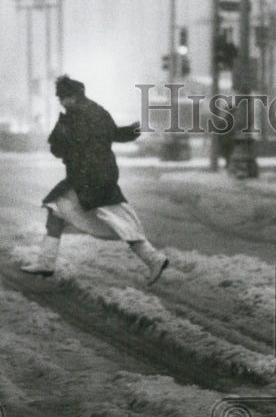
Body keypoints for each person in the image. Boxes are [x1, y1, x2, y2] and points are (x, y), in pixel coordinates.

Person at [20, 75, 169, 284]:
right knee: (57, 209)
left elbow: (65, 148)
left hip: (91, 180)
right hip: (94, 178)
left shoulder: (77, 117)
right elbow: (114, 133)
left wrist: (59, 137)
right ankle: (46, 263)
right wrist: (136, 129)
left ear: (72, 96)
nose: (60, 102)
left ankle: (154, 259)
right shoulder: (96, 111)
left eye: (62, 97)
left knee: (121, 222)